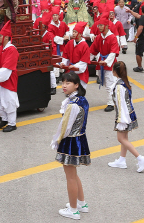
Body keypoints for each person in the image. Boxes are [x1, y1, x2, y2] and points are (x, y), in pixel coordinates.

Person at [51, 71, 90, 219]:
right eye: (63, 82)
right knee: (73, 174)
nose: (64, 86)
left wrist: (56, 140)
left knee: (70, 177)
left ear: (76, 85)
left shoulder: (72, 105)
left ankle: (73, 210)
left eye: (68, 83)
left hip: (71, 141)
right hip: (80, 139)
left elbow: (64, 128)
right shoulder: (82, 100)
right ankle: (81, 203)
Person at [107, 61, 144, 173]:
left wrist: (122, 119)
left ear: (115, 71)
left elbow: (121, 104)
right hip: (128, 113)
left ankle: (140, 158)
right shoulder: (125, 82)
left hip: (123, 115)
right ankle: (122, 160)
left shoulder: (119, 86)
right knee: (124, 139)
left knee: (120, 138)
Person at [89, 16, 120, 112]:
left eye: (101, 25)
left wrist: (106, 62)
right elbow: (93, 50)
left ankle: (111, 103)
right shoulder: (99, 37)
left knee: (110, 83)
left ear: (106, 26)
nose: (99, 27)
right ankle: (115, 97)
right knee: (106, 83)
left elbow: (113, 52)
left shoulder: (113, 37)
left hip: (109, 63)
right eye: (98, 25)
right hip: (102, 61)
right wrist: (85, 61)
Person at [61, 22, 90, 90]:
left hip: (80, 71)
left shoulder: (85, 45)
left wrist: (75, 66)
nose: (73, 33)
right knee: (69, 90)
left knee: (79, 91)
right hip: (70, 69)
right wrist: (64, 63)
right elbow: (65, 55)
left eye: (75, 32)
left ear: (80, 34)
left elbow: (84, 61)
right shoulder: (70, 43)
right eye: (73, 32)